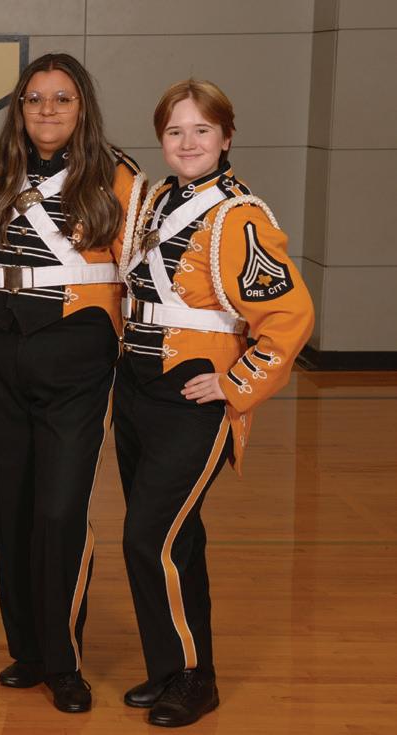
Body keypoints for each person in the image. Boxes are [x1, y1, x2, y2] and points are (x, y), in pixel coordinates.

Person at [115, 79, 313, 727]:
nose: (188, 142)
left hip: (191, 393)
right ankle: (172, 668)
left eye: (202, 130)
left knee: (149, 537)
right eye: (175, 131)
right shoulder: (156, 200)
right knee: (178, 538)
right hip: (136, 387)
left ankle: (196, 677)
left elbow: (290, 315)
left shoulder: (239, 215)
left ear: (226, 137)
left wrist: (237, 383)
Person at [0, 52, 145, 713]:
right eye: (35, 98)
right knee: (10, 503)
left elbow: (139, 275)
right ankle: (29, 650)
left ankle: (64, 659)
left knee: (59, 508)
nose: (47, 109)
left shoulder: (118, 177)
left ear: (82, 107)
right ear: (19, 107)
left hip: (75, 348)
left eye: (62, 98)